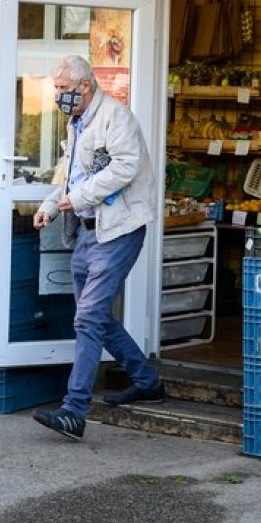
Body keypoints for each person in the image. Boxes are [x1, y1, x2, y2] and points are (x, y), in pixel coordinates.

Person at [31, 55, 163, 442]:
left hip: (119, 230)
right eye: (56, 89)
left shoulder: (116, 117)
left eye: (63, 90)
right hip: (89, 231)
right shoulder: (77, 123)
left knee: (88, 318)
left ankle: (74, 411)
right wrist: (52, 205)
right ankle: (146, 380)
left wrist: (80, 196)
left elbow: (125, 167)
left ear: (85, 87)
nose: (59, 96)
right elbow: (73, 176)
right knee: (97, 318)